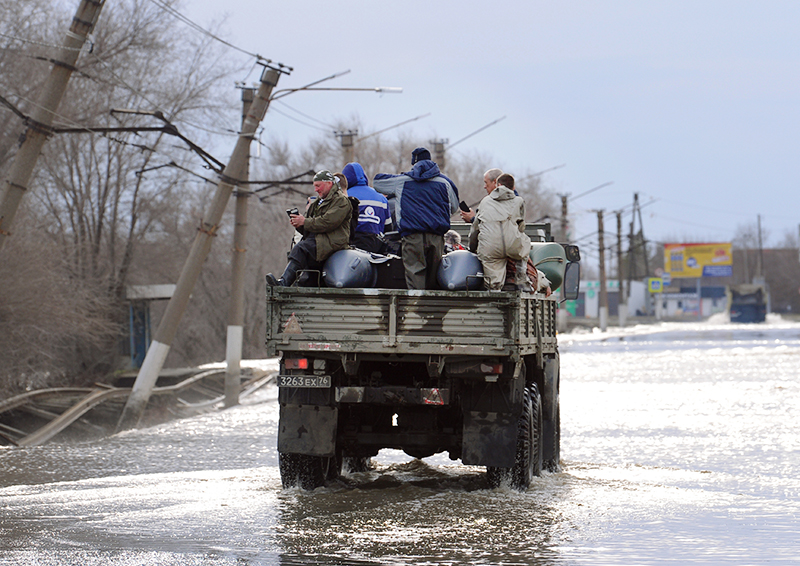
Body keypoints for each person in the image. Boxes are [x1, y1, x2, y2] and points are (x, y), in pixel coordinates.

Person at [374, 147, 459, 289]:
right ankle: (431, 308)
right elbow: (454, 208)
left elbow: (377, 182)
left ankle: (416, 308)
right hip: (436, 237)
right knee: (435, 278)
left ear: (414, 163)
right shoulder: (445, 183)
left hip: (412, 237)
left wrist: (405, 176)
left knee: (415, 276)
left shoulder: (403, 181)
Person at [266, 170, 352, 287]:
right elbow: (311, 226)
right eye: (314, 186)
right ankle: (287, 282)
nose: (316, 189)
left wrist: (304, 221)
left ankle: (284, 282)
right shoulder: (317, 203)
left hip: (333, 242)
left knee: (301, 248)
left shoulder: (341, 201)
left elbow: (327, 222)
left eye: (318, 186)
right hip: (319, 241)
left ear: (328, 183)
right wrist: (300, 225)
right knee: (302, 248)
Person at [468, 173, 532, 290]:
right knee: (525, 243)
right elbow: (521, 227)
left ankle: (494, 290)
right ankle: (521, 276)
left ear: (498, 185)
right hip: (513, 245)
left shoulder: (485, 201)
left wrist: (472, 247)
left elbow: (475, 228)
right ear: (513, 188)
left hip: (490, 248)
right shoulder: (519, 201)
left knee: (493, 283)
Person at [342, 162, 392, 253]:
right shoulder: (381, 198)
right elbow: (388, 228)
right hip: (377, 246)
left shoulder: (344, 197)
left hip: (352, 247)